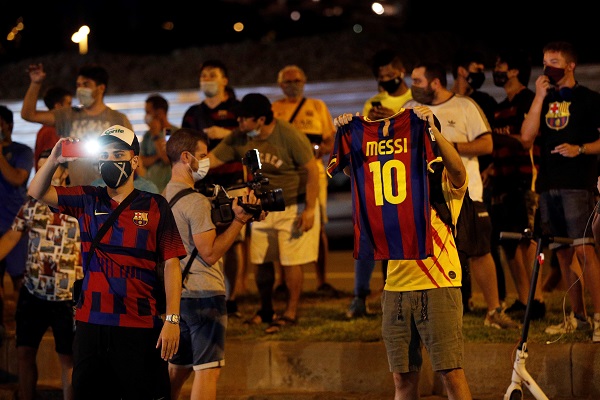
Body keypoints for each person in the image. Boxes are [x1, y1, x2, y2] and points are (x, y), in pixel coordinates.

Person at [26, 125, 187, 399]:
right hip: (91, 324)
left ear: (135, 160)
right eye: (105, 154)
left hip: (138, 324)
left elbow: (172, 263)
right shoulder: (88, 198)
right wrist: (54, 160)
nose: (111, 160)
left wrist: (172, 319)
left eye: (118, 153)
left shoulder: (155, 205)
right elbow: (37, 192)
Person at [329, 106, 472, 399]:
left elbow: (458, 170)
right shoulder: (384, 184)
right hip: (394, 288)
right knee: (402, 379)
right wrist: (347, 131)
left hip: (439, 284)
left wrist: (432, 129)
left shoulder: (438, 183)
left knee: (451, 373)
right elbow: (356, 172)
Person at [405, 62, 519, 329]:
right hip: (425, 197)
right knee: (425, 255)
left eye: (418, 81)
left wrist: (447, 147)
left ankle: (493, 311)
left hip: (466, 193)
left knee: (480, 252)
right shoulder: (408, 109)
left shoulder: (464, 106)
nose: (413, 86)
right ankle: (427, 314)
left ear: (434, 83)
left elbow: (487, 144)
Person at [208, 93, 320, 334]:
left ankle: (290, 312)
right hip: (261, 207)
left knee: (291, 262)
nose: (238, 123)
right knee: (261, 261)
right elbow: (212, 160)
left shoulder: (288, 135)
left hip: (292, 204)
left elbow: (312, 170)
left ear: (260, 119)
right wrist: (185, 164)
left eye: (243, 119)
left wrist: (310, 208)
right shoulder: (240, 137)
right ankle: (266, 309)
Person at [164, 128, 262, 400]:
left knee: (178, 368)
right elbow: (209, 253)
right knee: (207, 371)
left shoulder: (164, 197)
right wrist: (239, 222)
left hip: (177, 297)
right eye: (202, 155)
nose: (205, 161)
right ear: (186, 157)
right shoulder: (195, 202)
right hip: (205, 295)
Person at [520, 41, 600, 342]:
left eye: (554, 61)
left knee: (584, 249)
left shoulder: (589, 99)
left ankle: (598, 317)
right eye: (544, 61)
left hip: (577, 184)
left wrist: (580, 149)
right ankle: (576, 317)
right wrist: (539, 97)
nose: (547, 66)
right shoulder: (544, 98)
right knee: (563, 255)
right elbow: (526, 137)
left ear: (570, 65)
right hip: (548, 184)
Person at [0, 149, 76, 400]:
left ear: (64, 172)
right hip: (33, 293)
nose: (44, 174)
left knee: (68, 358)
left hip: (68, 297)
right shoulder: (31, 204)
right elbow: (12, 236)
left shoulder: (79, 204)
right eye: (41, 168)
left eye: (50, 167)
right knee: (24, 352)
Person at [348, 49, 414, 318]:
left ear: (402, 72)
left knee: (398, 240)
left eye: (390, 74)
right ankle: (359, 296)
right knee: (368, 236)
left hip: (406, 178)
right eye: (381, 76)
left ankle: (395, 295)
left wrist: (393, 118)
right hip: (377, 174)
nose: (386, 79)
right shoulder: (372, 102)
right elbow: (365, 135)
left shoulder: (414, 99)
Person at [181, 59, 246, 316]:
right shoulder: (192, 113)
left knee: (234, 240)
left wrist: (225, 132)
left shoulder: (237, 109)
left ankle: (234, 295)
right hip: (201, 184)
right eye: (203, 75)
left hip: (233, 182)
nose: (207, 79)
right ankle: (208, 291)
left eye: (212, 75)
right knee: (204, 238)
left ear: (224, 80)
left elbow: (247, 137)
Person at [489, 49, 546, 320]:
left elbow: (527, 141)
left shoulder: (529, 102)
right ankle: (523, 300)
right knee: (509, 243)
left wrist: (494, 139)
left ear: (513, 70)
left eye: (500, 63)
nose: (496, 68)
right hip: (502, 181)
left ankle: (537, 299)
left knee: (528, 239)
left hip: (525, 179)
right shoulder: (500, 109)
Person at [271, 64, 337, 297]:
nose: (293, 85)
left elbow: (331, 140)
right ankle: (281, 282)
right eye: (288, 81)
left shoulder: (317, 107)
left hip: (313, 174)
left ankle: (322, 280)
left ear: (304, 82)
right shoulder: (274, 109)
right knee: (280, 226)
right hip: (284, 176)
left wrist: (318, 150)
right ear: (280, 85)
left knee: (318, 227)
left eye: (297, 80)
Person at [22, 63, 133, 186]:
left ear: (101, 88)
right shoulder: (68, 115)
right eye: (78, 85)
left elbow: (132, 157)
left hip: (110, 194)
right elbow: (29, 114)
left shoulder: (118, 119)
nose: (80, 89)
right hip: (78, 196)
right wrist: (35, 84)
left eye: (86, 84)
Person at [450, 49, 502, 311]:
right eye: (476, 68)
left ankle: (496, 304)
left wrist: (490, 168)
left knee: (483, 247)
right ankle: (462, 302)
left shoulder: (480, 103)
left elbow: (490, 142)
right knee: (453, 251)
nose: (480, 75)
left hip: (475, 185)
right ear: (461, 70)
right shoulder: (444, 104)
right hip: (447, 191)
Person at [0, 105, 34, 340]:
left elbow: (16, 179)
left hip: (14, 227)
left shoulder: (22, 151)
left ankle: (26, 329)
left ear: (8, 125)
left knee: (19, 281)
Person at [140, 93, 178, 193]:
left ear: (160, 113)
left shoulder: (175, 133)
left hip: (170, 189)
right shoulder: (147, 135)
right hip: (152, 189)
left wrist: (156, 135)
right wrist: (158, 156)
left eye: (148, 112)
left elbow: (166, 159)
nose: (146, 116)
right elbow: (142, 161)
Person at [33, 87, 73, 170]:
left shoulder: (46, 129)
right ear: (58, 106)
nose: (71, 108)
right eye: (69, 104)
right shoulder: (51, 131)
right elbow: (52, 163)